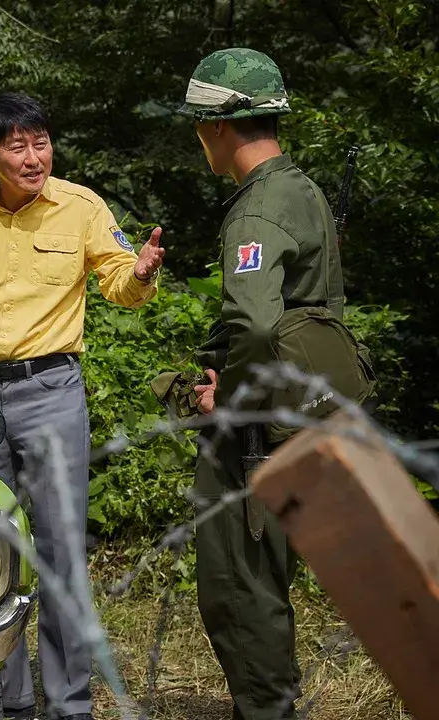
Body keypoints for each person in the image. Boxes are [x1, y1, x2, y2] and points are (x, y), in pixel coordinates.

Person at [0, 92, 166, 720]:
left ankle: (69, 704)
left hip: (52, 392)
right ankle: (2, 699)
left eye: (41, 142)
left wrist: (142, 272)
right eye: (18, 146)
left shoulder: (81, 208)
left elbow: (119, 285)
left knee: (59, 551)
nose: (33, 158)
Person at [175, 48, 375, 720]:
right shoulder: (306, 191)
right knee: (268, 583)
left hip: (255, 433)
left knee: (239, 588)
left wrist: (223, 401)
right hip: (303, 415)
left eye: (200, 128)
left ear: (219, 128)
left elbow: (256, 328)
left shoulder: (256, 211)